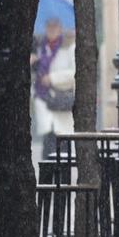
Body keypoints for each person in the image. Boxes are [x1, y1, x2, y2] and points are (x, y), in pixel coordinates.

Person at [31, 18, 75, 160]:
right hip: (44, 99)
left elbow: (75, 73)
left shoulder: (69, 47)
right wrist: (33, 64)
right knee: (48, 141)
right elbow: (36, 75)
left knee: (62, 142)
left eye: (55, 27)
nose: (52, 30)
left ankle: (62, 173)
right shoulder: (40, 48)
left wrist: (52, 78)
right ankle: (48, 172)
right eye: (49, 27)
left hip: (61, 99)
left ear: (60, 28)